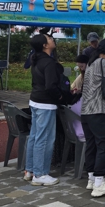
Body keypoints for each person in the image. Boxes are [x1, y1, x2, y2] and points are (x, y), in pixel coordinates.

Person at [24, 34, 69, 186]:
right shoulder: (49, 62)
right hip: (45, 104)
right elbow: (50, 86)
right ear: (45, 45)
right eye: (49, 39)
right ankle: (40, 174)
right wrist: (60, 97)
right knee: (44, 139)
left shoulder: (35, 59)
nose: (52, 39)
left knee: (35, 136)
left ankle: (30, 170)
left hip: (35, 101)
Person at [81, 37, 105, 197]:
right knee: (104, 144)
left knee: (91, 144)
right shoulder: (104, 63)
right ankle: (99, 182)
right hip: (98, 109)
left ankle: (91, 178)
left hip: (86, 111)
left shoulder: (91, 63)